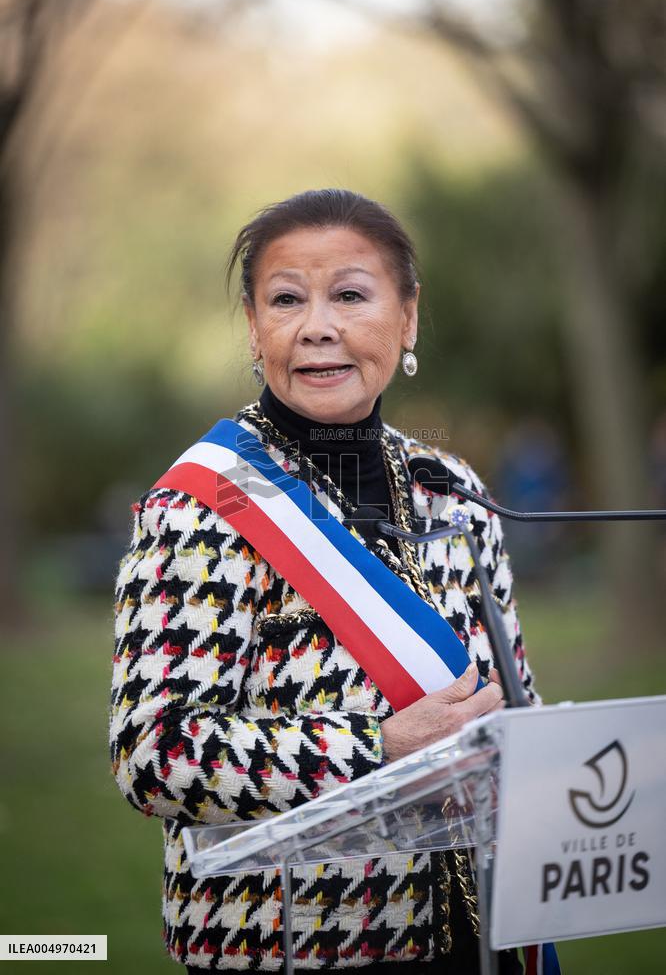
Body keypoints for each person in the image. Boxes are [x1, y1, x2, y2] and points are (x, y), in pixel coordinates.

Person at [109, 188, 539, 974]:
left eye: (349, 294)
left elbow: (517, 706)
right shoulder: (204, 506)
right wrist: (380, 748)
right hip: (299, 943)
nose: (317, 326)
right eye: (286, 299)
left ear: (407, 317)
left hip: (480, 928)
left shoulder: (455, 489)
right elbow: (153, 751)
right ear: (255, 327)